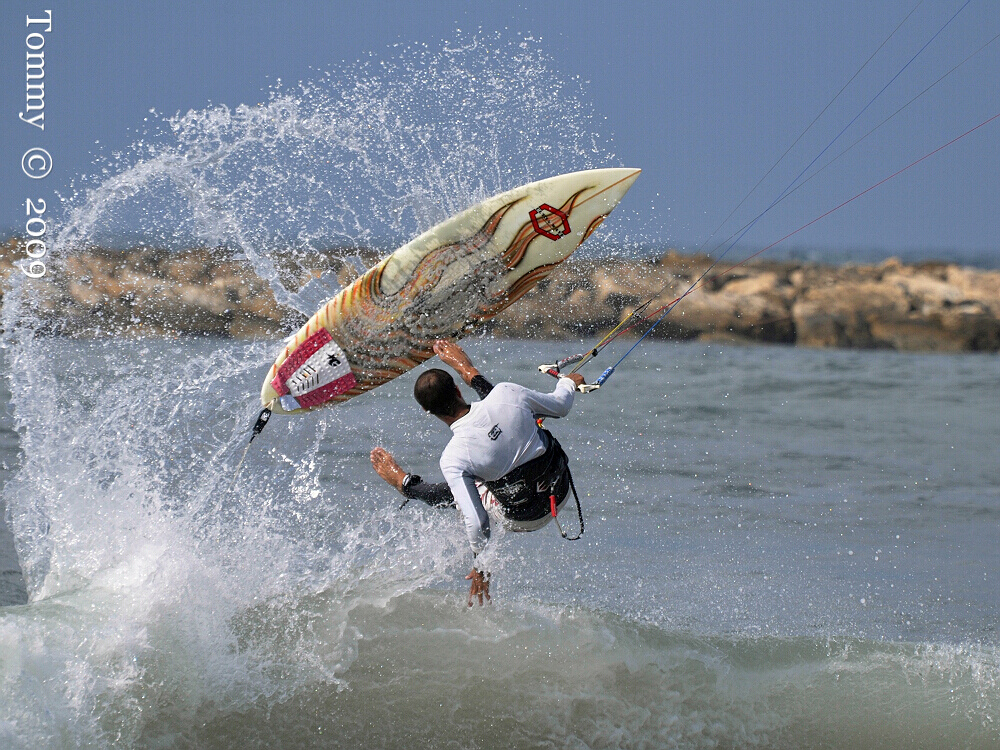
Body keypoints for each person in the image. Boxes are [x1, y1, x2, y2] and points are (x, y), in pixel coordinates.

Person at [370, 339, 585, 606]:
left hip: (523, 519)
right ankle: (468, 371)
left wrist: (481, 563)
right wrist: (568, 383)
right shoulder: (507, 393)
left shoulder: (454, 456)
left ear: (428, 412)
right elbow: (560, 406)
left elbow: (477, 520)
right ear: (459, 389)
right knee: (512, 414)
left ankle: (406, 485)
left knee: (459, 489)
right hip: (560, 489)